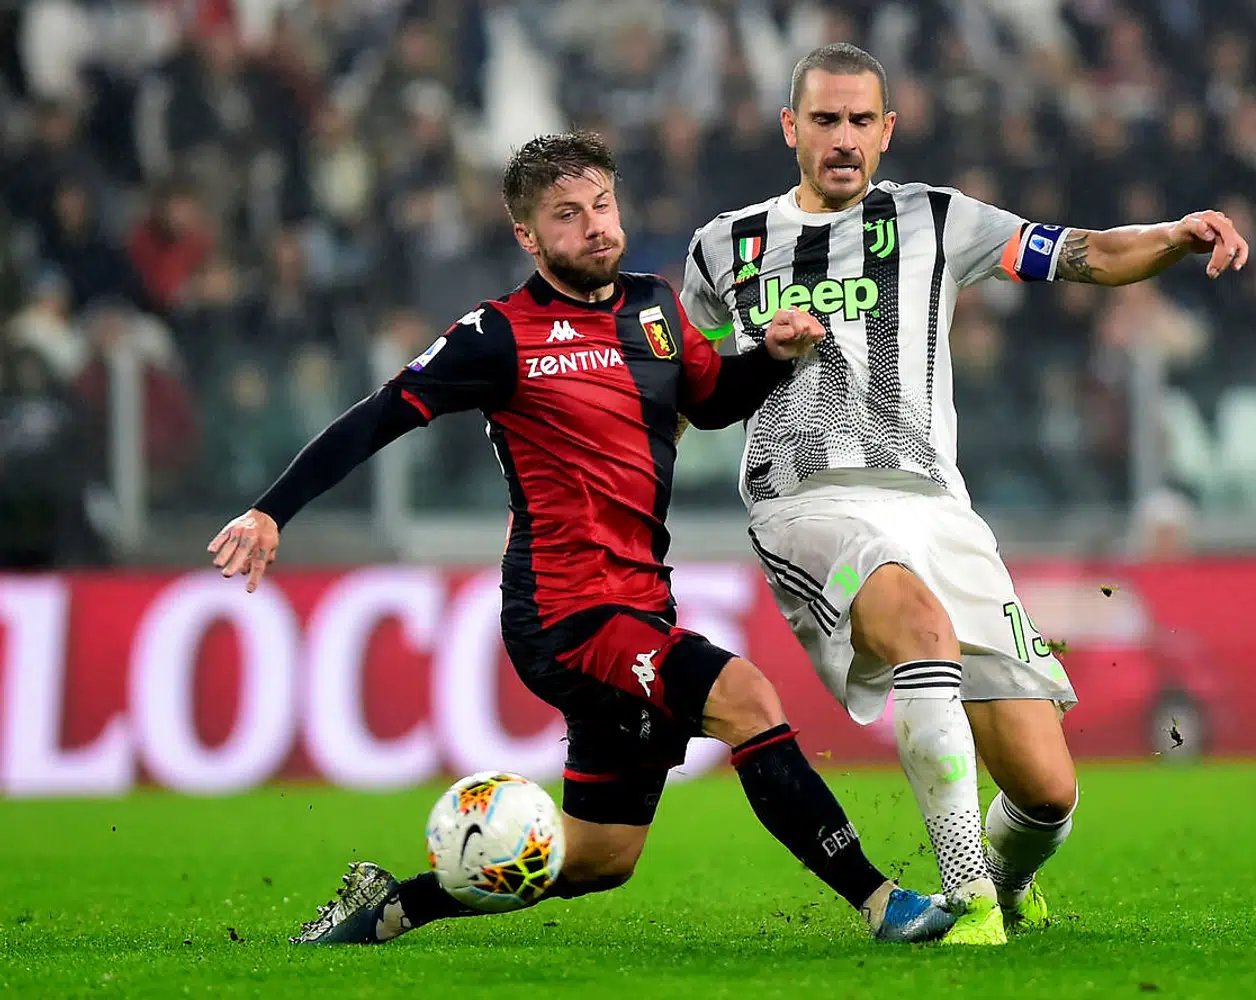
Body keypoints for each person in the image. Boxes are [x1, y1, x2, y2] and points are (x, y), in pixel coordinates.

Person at [207, 131, 954, 946]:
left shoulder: (654, 305)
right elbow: (381, 414)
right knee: (745, 696)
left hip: (639, 603)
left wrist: (770, 355)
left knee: (601, 857)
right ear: (528, 236)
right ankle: (886, 906)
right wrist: (271, 510)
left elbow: (708, 400)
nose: (596, 226)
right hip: (565, 615)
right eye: (568, 215)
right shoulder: (497, 335)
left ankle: (391, 907)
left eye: (602, 205)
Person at [679, 43, 1250, 946]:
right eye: (824, 120)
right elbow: (695, 387)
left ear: (888, 130)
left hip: (937, 507)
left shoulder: (938, 219)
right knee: (919, 628)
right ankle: (968, 897)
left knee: (1047, 790)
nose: (843, 139)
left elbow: (1086, 255)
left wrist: (1174, 237)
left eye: (862, 121)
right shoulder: (724, 247)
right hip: (805, 499)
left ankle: (1008, 879)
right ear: (790, 127)